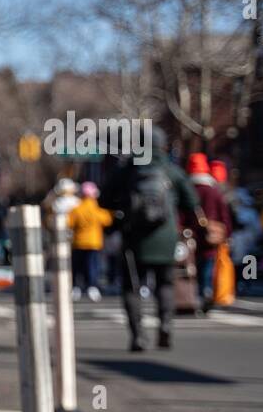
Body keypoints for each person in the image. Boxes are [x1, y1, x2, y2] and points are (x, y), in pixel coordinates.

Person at [99, 131, 201, 350]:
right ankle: (165, 326)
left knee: (131, 287)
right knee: (165, 283)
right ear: (163, 146)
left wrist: (123, 209)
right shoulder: (172, 170)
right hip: (165, 237)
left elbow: (103, 199)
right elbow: (192, 202)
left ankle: (137, 335)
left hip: (133, 236)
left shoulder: (127, 170)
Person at [184, 152, 232, 311]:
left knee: (191, 268)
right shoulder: (214, 191)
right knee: (208, 268)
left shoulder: (187, 189)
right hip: (211, 237)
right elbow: (224, 215)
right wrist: (227, 233)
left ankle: (194, 296)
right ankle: (207, 292)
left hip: (190, 236)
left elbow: (181, 214)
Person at [67, 180, 112, 301]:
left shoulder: (76, 209)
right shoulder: (97, 210)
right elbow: (107, 220)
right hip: (94, 243)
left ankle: (76, 288)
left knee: (77, 267)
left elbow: (69, 222)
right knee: (93, 267)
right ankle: (92, 287)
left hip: (78, 243)